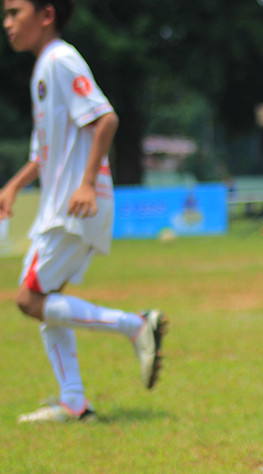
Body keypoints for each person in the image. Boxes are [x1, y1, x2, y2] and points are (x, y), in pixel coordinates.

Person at [1, 0, 166, 423]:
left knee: (28, 299)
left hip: (73, 204)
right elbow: (43, 153)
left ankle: (135, 326)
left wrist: (87, 182)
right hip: (65, 204)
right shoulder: (45, 67)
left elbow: (105, 119)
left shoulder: (61, 59)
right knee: (46, 300)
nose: (7, 23)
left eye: (15, 12)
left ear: (46, 15)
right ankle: (73, 402)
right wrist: (13, 187)